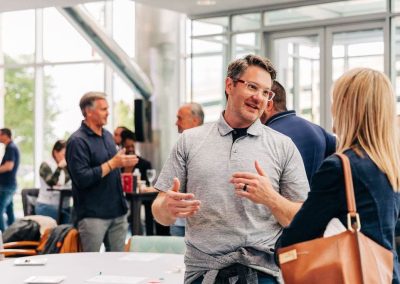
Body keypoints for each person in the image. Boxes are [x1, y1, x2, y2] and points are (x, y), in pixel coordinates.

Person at [152, 54, 309, 283]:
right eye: (252, 87)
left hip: (262, 274)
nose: (259, 98)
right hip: (203, 274)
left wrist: (271, 199)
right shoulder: (190, 140)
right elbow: (160, 212)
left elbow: (302, 221)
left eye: (266, 92)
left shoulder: (283, 146)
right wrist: (167, 207)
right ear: (229, 85)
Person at [277, 68, 400, 282]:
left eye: (335, 100)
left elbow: (296, 238)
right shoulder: (390, 165)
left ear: (346, 105)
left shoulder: (340, 167)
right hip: (386, 274)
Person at [66, 92, 138, 252]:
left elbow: (112, 170)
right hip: (93, 216)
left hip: (118, 212)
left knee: (118, 264)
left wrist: (123, 164)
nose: (108, 112)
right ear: (89, 111)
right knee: (90, 266)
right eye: (103, 109)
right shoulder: (77, 141)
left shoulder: (107, 136)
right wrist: (113, 163)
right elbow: (82, 178)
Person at [260, 80, 336, 183]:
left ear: (268, 104)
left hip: (280, 199)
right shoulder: (316, 129)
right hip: (315, 197)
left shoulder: (266, 137)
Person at [170, 102, 205, 237]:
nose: (176, 123)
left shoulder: (211, 147)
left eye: (180, 118)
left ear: (195, 121)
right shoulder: (180, 146)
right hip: (179, 222)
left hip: (201, 224)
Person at [36, 140, 71, 224]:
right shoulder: (45, 165)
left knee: (67, 233)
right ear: (55, 152)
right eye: (63, 154)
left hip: (64, 205)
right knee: (51, 234)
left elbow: (67, 181)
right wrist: (59, 168)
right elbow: (52, 182)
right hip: (48, 206)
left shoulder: (66, 165)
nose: (65, 157)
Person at [0, 128, 20, 232]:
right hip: (8, 185)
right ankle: (12, 236)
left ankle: (3, 238)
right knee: (9, 211)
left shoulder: (11, 147)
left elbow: (9, 166)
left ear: (5, 135)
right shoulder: (11, 147)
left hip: (7, 185)